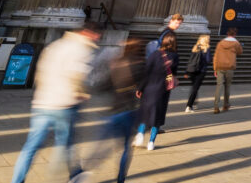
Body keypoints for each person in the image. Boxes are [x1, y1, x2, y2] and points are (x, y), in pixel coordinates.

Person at [10, 22, 101, 183]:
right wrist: (81, 92)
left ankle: (17, 181)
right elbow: (77, 74)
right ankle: (75, 174)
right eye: (96, 35)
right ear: (88, 33)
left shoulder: (55, 45)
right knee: (66, 143)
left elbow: (40, 72)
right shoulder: (81, 49)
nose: (97, 39)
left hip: (43, 102)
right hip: (64, 105)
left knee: (31, 146)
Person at [85, 38, 145, 183]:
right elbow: (145, 84)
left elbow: (103, 86)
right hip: (130, 111)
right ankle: (121, 178)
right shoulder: (142, 65)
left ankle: (83, 172)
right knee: (125, 148)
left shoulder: (117, 63)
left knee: (99, 147)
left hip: (114, 111)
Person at [133, 30, 177, 151]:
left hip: (149, 89)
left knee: (145, 114)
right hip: (163, 91)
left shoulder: (155, 54)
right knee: (158, 117)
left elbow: (146, 72)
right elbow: (173, 74)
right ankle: (151, 142)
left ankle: (140, 135)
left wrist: (140, 88)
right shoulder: (175, 57)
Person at [213, 28, 242, 113]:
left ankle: (216, 106)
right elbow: (240, 52)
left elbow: (215, 56)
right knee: (227, 86)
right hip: (230, 67)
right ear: (235, 34)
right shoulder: (236, 43)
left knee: (219, 86)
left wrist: (215, 68)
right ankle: (226, 105)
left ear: (227, 33)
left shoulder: (220, 43)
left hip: (220, 66)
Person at [184, 35, 212, 112]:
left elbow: (190, 60)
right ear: (206, 41)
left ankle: (193, 103)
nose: (209, 40)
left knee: (194, 88)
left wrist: (186, 71)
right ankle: (189, 106)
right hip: (201, 71)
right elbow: (208, 60)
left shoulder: (195, 47)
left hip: (192, 70)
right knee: (195, 89)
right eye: (209, 39)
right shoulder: (207, 49)